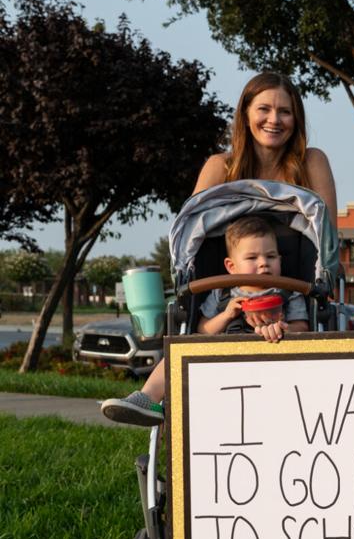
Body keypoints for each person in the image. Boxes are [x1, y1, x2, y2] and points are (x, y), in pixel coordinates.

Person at [100, 71, 337, 426]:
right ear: (245, 114)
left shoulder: (311, 161)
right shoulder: (219, 167)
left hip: (287, 310)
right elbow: (193, 232)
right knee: (188, 342)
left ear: (296, 119)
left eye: (285, 111)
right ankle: (148, 399)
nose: (274, 120)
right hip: (223, 315)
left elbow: (327, 231)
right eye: (264, 109)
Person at [101, 218, 308, 423]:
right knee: (177, 352)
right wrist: (226, 315)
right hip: (222, 360)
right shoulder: (221, 292)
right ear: (231, 266)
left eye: (271, 256)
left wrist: (283, 329)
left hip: (274, 360)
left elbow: (304, 327)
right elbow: (203, 328)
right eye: (252, 258)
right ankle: (147, 398)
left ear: (280, 259)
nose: (263, 263)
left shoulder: (289, 293)